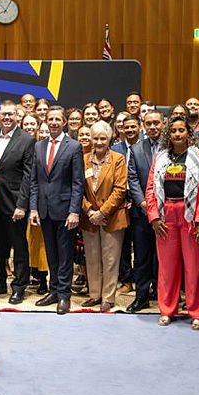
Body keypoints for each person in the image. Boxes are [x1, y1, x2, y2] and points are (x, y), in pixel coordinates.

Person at [145, 116, 199, 327]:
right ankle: (167, 309)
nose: (177, 134)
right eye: (173, 130)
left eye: (181, 130)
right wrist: (154, 216)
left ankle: (197, 312)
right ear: (169, 133)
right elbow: (150, 189)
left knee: (195, 266)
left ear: (188, 133)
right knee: (167, 266)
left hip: (192, 216)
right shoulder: (160, 158)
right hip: (166, 215)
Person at [29, 106, 85, 314]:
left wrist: (74, 211)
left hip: (65, 210)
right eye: (50, 119)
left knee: (64, 254)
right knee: (51, 253)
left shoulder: (74, 146)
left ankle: (64, 295)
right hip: (44, 210)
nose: (53, 122)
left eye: (57, 119)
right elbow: (34, 181)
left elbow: (78, 182)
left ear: (63, 122)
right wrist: (33, 208)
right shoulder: (38, 146)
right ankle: (53, 290)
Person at [79, 122, 129, 312]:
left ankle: (108, 297)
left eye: (103, 138)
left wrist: (102, 212)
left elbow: (120, 189)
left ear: (110, 139)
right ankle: (94, 295)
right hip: (88, 217)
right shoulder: (82, 159)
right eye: (96, 138)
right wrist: (89, 211)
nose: (99, 142)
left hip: (112, 217)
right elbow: (77, 187)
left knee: (110, 259)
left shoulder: (118, 159)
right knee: (92, 257)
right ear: (90, 139)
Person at [0, 101, 35, 303]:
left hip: (15, 204)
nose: (6, 118)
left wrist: (22, 205)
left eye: (10, 114)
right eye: (3, 114)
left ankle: (19, 286)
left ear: (17, 116)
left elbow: (28, 176)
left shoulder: (26, 140)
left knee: (19, 247)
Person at [125, 109, 163, 313]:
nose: (153, 127)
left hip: (167, 213)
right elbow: (132, 179)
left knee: (164, 257)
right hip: (142, 213)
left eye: (156, 123)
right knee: (141, 256)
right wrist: (142, 203)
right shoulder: (137, 149)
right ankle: (141, 297)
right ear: (143, 126)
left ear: (163, 123)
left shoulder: (172, 148)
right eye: (149, 124)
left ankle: (163, 295)